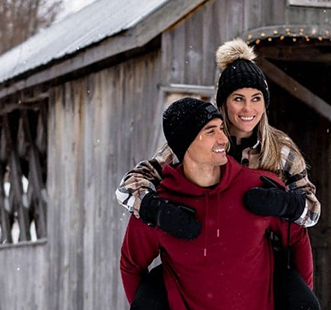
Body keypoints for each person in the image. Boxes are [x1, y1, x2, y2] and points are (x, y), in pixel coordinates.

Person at [115, 38, 321, 240]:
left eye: (256, 98)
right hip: (204, 248)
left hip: (260, 257)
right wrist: (159, 211)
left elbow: (313, 212)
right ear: (224, 103)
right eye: (238, 99)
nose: (248, 109)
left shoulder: (281, 150)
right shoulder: (198, 140)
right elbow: (127, 188)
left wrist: (286, 204)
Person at [120, 98, 313, 310]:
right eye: (211, 131)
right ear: (185, 143)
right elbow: (132, 265)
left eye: (222, 128)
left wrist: (301, 294)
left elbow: (297, 237)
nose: (224, 139)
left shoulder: (258, 187)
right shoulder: (159, 207)